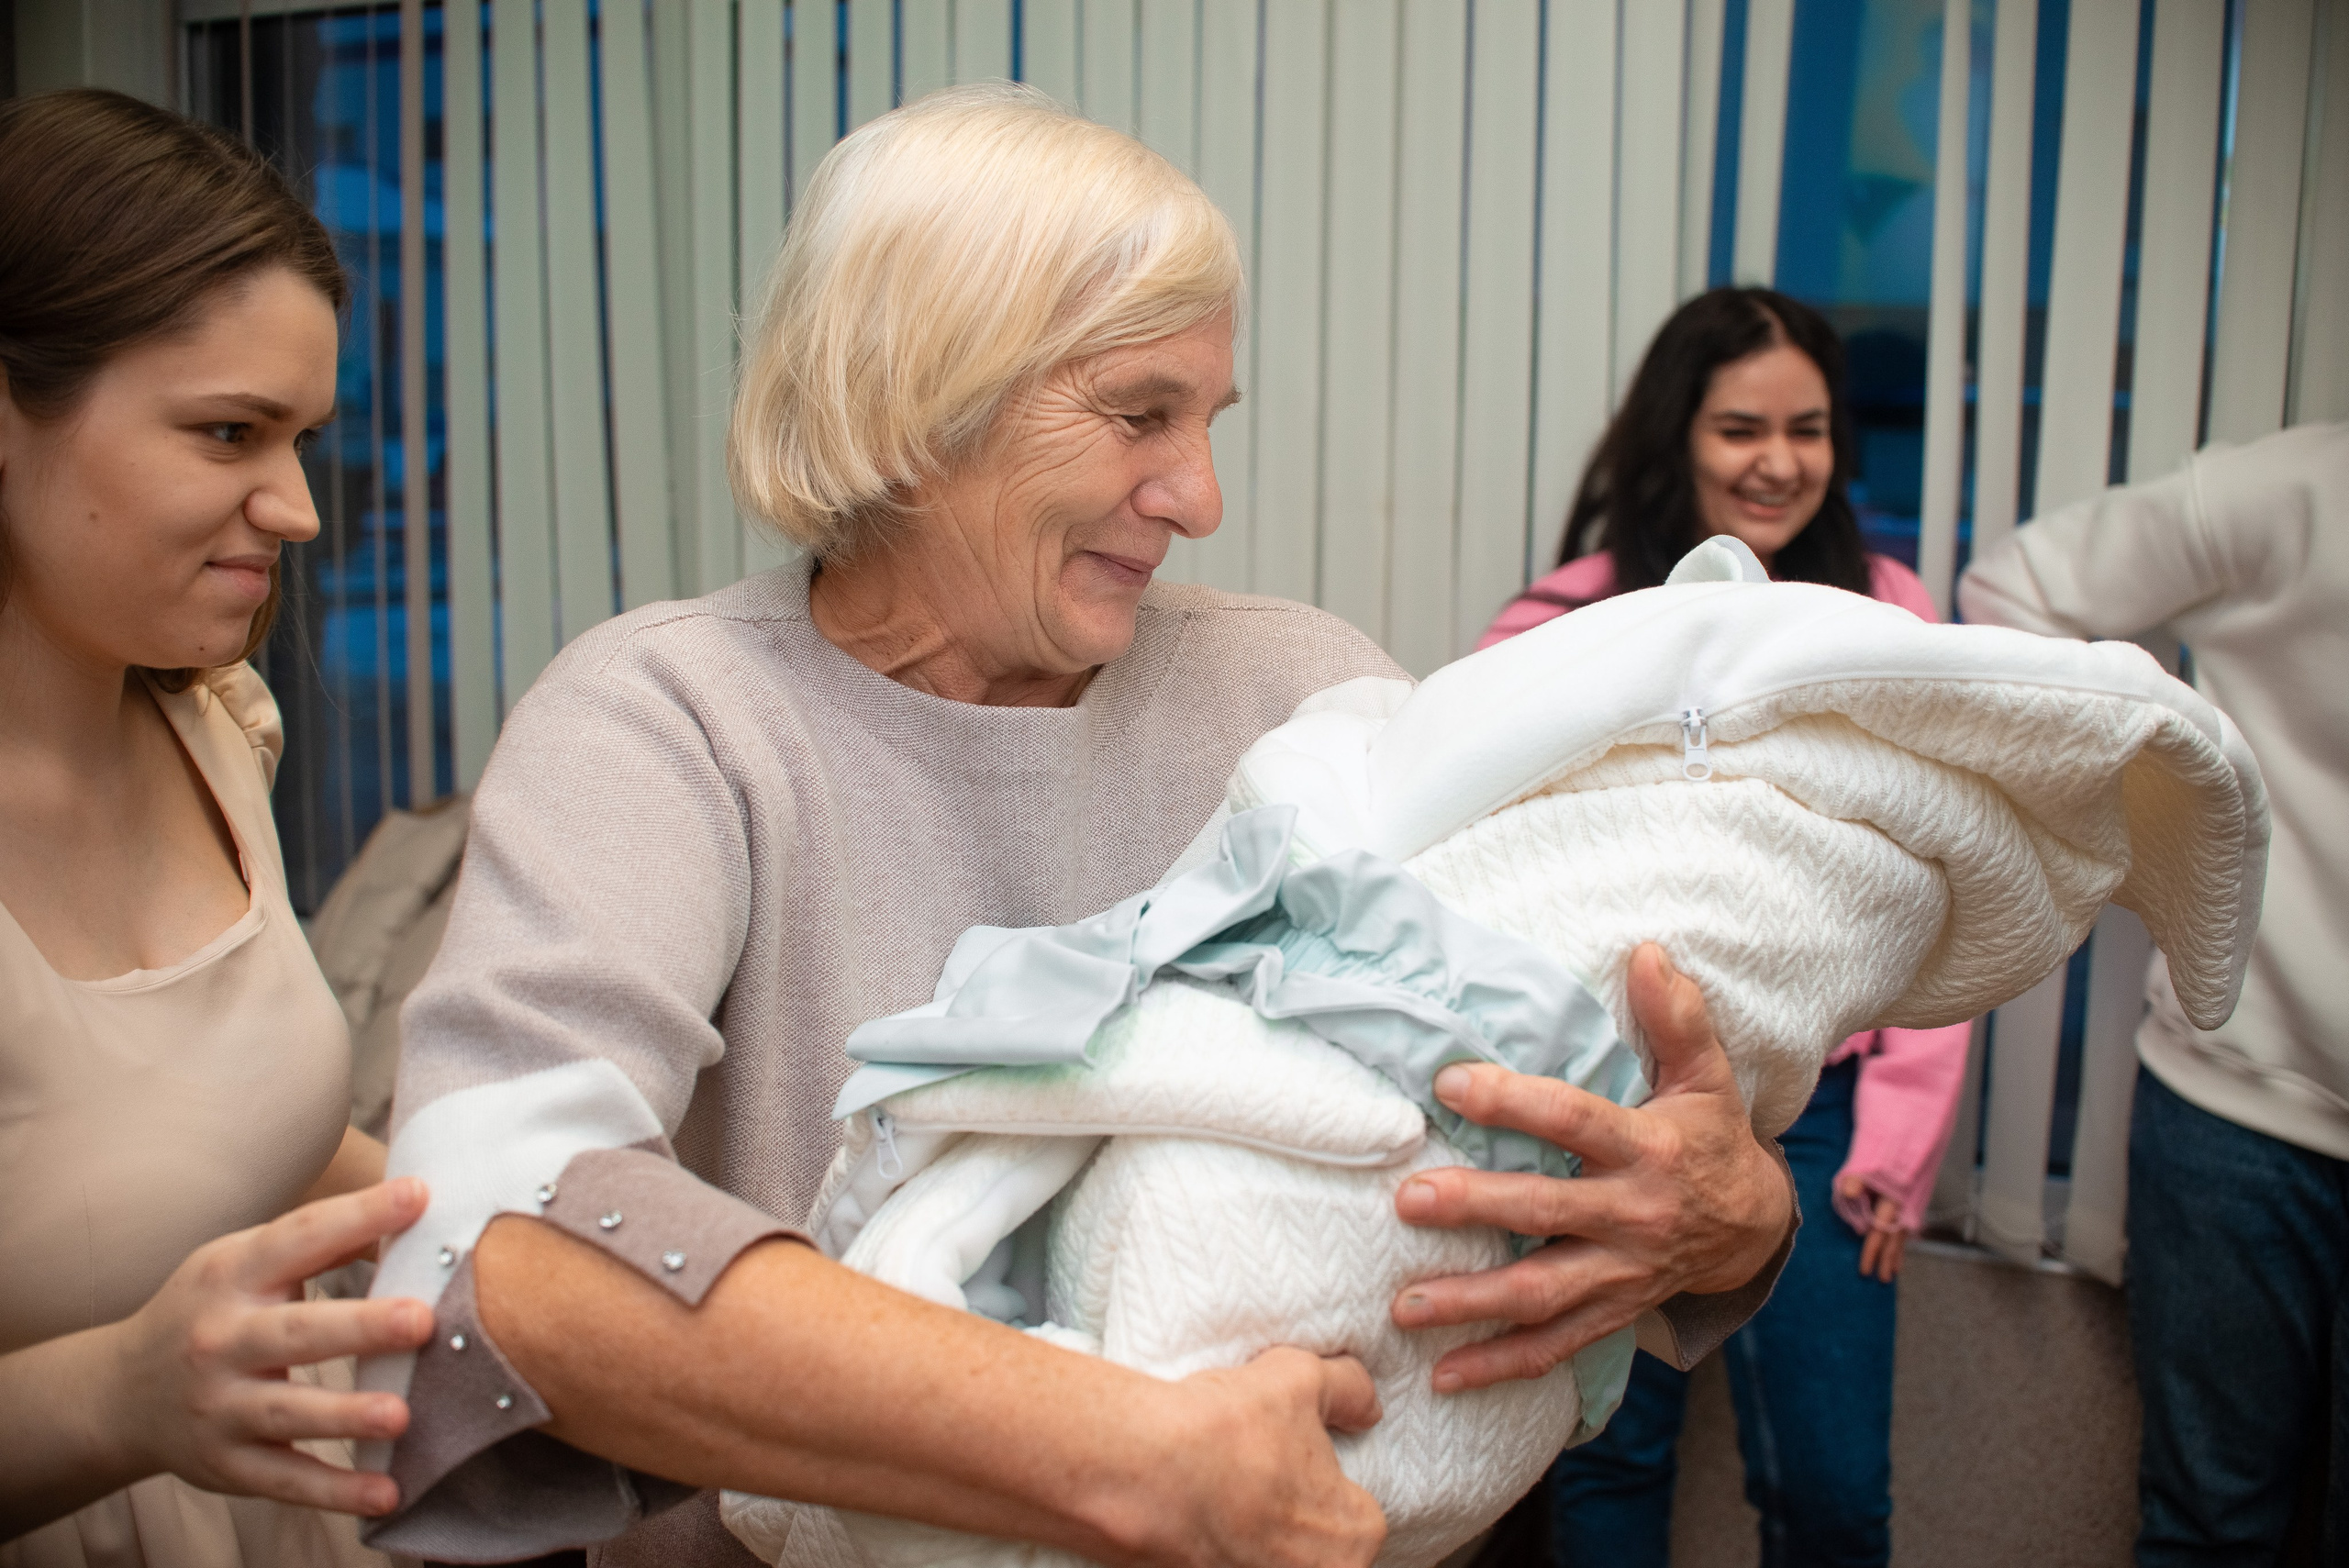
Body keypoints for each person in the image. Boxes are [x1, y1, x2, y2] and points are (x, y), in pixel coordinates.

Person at [366, 86, 1800, 1566]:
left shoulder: (1303, 691)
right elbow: (495, 1232)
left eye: (1209, 420)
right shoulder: (671, 721)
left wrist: (1732, 1214)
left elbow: (1570, 1089)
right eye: (1138, 414)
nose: (1201, 496)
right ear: (914, 404)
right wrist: (1096, 1448)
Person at [0, 92, 436, 1563]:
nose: (299, 507)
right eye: (230, 433)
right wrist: (115, 1397)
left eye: (303, 439)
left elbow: (204, 1131)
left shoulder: (218, 727)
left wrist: (517, 1209)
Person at [1480, 286, 1975, 1568]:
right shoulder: (1560, 621)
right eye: (1740, 428)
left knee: (1834, 1493)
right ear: (1677, 436)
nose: (1778, 462)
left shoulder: (1886, 612)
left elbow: (1946, 876)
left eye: (1807, 429)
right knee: (1605, 1459)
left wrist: (1902, 1134)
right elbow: (1492, 871)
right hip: (1611, 1094)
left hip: (1823, 1113)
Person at [1958, 420, 2348, 1566]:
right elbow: (2012, 591)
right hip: (2238, 1104)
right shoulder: (2290, 490)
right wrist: (2168, 791)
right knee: (2207, 1524)